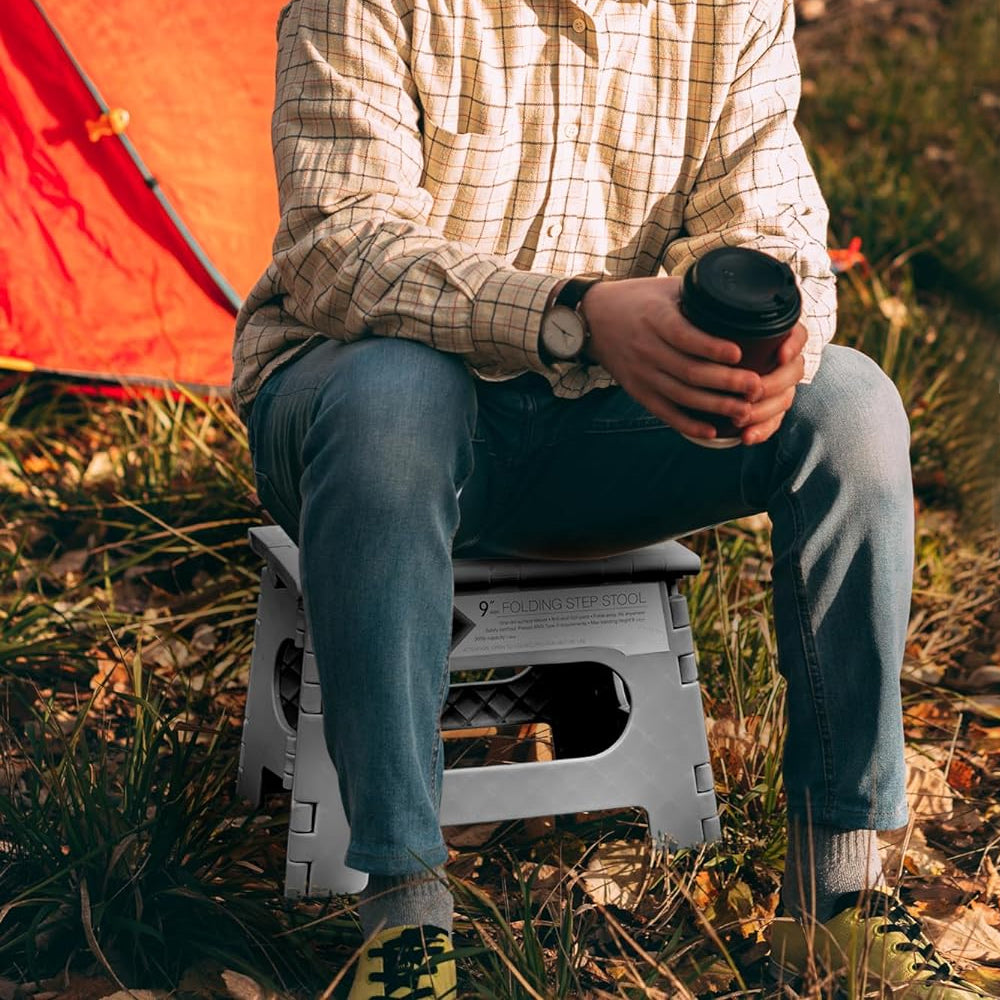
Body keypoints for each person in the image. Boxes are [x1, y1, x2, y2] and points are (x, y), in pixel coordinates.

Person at [233, 1, 992, 997]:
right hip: (374, 418)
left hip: (609, 425)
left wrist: (760, 341)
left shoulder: (730, 10)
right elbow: (341, 250)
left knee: (850, 405)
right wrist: (578, 316)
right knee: (393, 399)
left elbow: (777, 235)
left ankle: (835, 899)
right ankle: (405, 913)